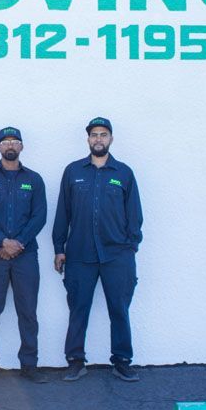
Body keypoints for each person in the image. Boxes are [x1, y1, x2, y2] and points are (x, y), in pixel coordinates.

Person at [53, 117, 144, 383]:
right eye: (94, 135)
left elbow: (134, 214)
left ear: (111, 139)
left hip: (117, 255)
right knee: (78, 308)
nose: (99, 139)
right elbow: (63, 213)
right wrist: (60, 248)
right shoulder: (73, 172)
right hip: (80, 254)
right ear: (88, 139)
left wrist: (130, 246)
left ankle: (122, 360)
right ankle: (75, 360)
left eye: (104, 134)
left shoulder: (124, 173)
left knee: (119, 308)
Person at [0, 127, 48, 384]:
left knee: (27, 311)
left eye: (15, 141)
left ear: (22, 147)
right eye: (5, 142)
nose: (10, 145)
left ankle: (29, 365)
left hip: (26, 256)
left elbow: (40, 216)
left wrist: (18, 243)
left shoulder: (34, 180)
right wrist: (2, 242)